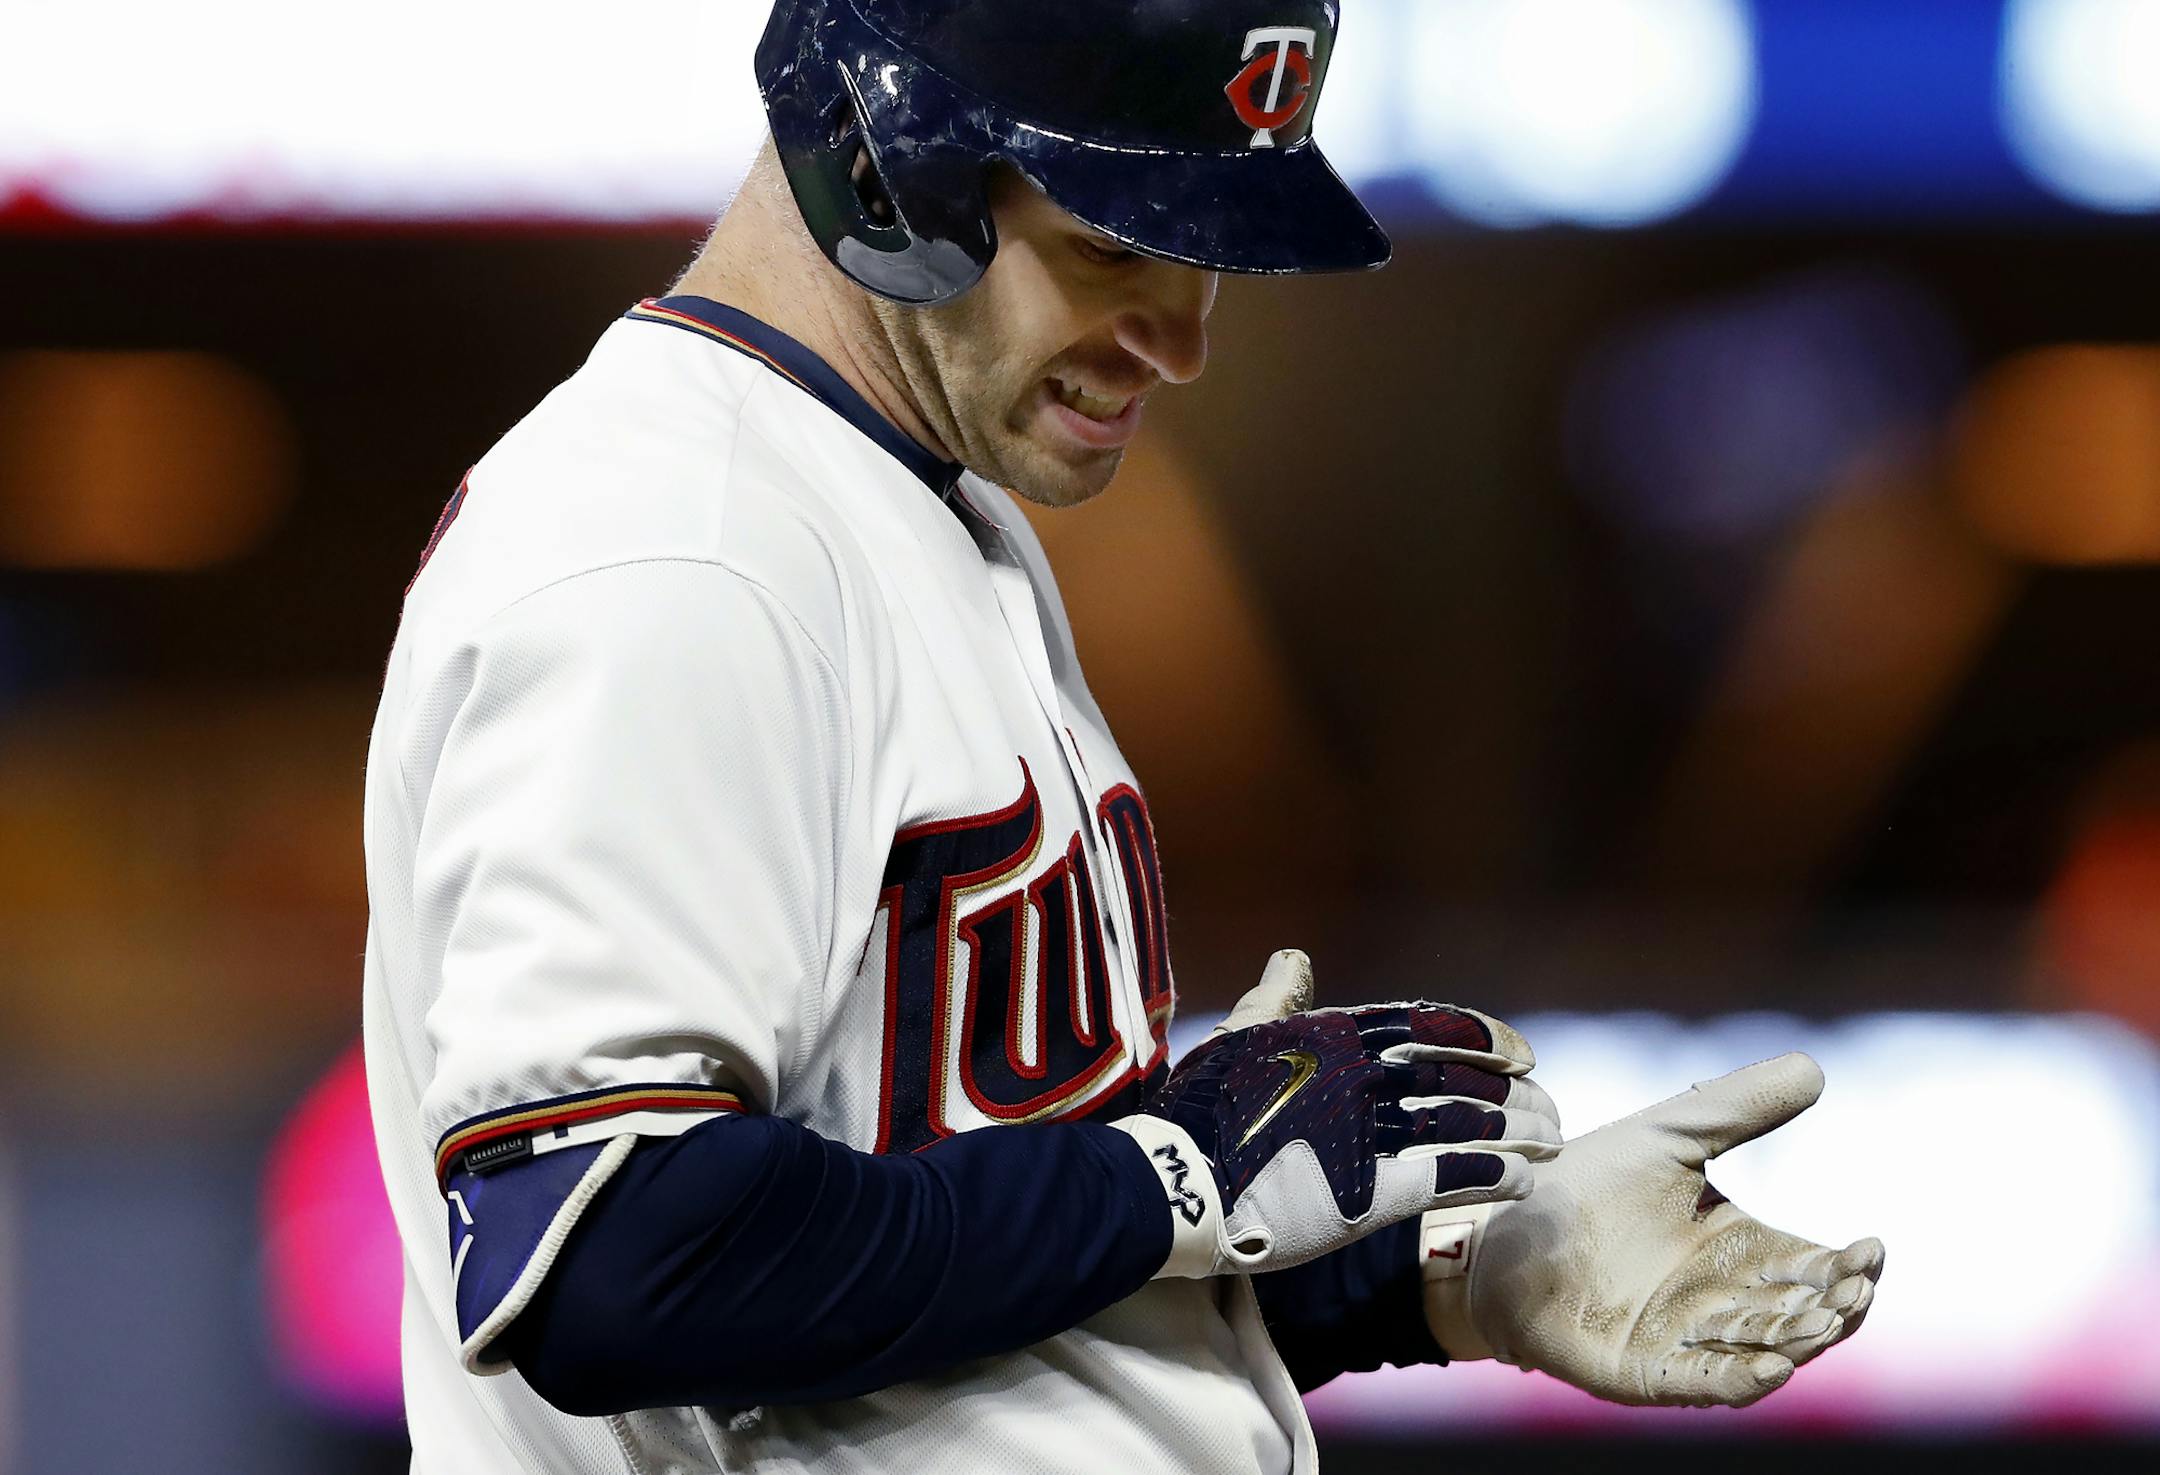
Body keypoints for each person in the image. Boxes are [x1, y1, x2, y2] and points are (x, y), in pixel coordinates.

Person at [360, 3, 1882, 1471]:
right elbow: (608, 1253)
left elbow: (966, 1275)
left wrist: (1443, 1274)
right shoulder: (678, 553)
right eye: (1111, 243)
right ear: (880, 154)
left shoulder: (921, 506)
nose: (1179, 337)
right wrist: (1176, 1168)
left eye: (1203, 256)